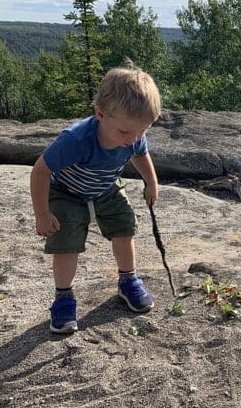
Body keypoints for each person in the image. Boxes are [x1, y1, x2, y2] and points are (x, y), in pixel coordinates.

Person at [30, 60, 161, 334]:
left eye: (142, 130)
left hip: (106, 187)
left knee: (125, 228)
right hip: (67, 192)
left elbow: (140, 153)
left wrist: (151, 180)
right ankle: (63, 298)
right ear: (100, 114)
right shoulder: (76, 140)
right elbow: (41, 170)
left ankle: (128, 281)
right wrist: (42, 213)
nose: (133, 138)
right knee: (67, 244)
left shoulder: (133, 134)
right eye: (125, 131)